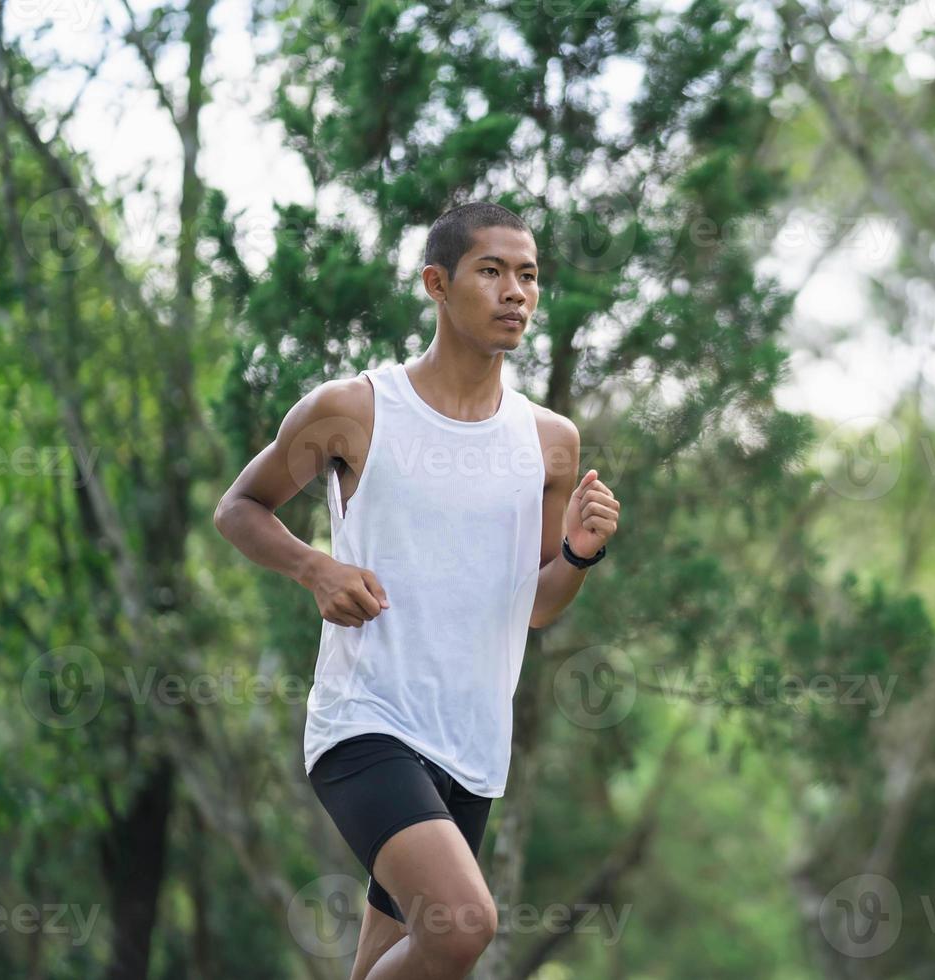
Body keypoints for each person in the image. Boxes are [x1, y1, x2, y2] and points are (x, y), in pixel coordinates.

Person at [214, 201, 620, 980]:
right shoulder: (355, 411)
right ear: (437, 283)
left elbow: (534, 605)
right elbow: (239, 507)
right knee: (462, 925)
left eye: (528, 276)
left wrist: (577, 552)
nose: (515, 293)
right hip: (366, 725)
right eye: (492, 271)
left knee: (389, 962)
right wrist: (316, 568)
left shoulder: (550, 443)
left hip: (470, 746)